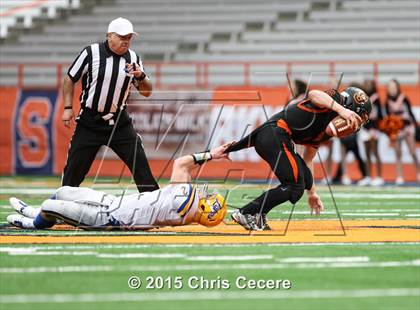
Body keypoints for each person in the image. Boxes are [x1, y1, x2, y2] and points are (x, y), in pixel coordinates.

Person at [225, 87, 371, 230]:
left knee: (304, 182)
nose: (355, 124)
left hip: (276, 137)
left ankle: (258, 213)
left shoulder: (326, 130)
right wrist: (342, 110)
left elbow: (308, 160)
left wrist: (312, 193)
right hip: (274, 133)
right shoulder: (334, 99)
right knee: (294, 185)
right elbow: (314, 94)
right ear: (350, 107)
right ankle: (246, 212)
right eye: (357, 117)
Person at [7, 144, 231, 230]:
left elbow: (181, 163)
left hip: (107, 218)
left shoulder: (184, 200)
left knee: (51, 204)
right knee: (63, 191)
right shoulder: (187, 206)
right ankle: (34, 213)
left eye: (209, 198)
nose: (206, 193)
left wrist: (212, 154)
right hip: (111, 203)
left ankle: (32, 222)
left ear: (204, 209)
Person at [61, 17, 159, 193]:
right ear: (109, 36)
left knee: (141, 166)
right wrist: (68, 108)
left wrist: (141, 76)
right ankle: (60, 206)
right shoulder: (91, 53)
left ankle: (155, 205)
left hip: (118, 122)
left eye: (129, 37)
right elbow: (69, 79)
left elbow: (147, 92)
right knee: (73, 172)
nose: (126, 41)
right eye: (122, 37)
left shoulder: (133, 58)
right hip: (89, 121)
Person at [384, 79, 419, 185]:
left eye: (394, 88)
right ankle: (399, 176)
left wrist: (414, 127)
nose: (392, 90)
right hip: (396, 130)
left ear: (398, 88)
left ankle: (418, 172)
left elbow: (410, 113)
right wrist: (390, 129)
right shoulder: (387, 101)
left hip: (407, 128)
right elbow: (388, 117)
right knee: (397, 153)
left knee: (412, 152)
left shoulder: (403, 98)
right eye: (390, 88)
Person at [359, 79, 384, 186]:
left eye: (369, 84)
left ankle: (379, 177)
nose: (368, 86)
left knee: (375, 152)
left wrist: (376, 128)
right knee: (367, 153)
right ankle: (368, 176)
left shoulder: (376, 98)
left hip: (374, 129)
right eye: (366, 84)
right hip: (365, 128)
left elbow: (380, 116)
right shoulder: (361, 98)